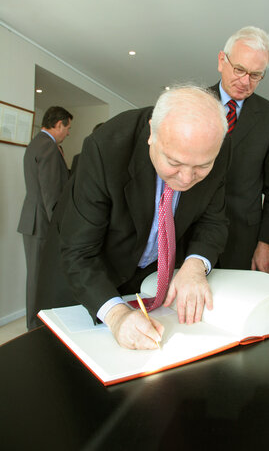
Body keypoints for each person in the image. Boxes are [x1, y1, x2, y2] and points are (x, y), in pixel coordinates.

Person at [38, 85, 231, 349]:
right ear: (152, 133)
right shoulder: (106, 148)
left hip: (145, 284)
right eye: (174, 163)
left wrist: (195, 266)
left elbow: (213, 219)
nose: (186, 179)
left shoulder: (217, 146)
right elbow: (78, 251)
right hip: (81, 278)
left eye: (201, 167)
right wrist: (116, 316)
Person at [209, 26, 269, 274]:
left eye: (256, 75)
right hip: (189, 237)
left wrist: (266, 242)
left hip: (244, 242)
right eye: (240, 69)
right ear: (222, 60)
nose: (245, 81)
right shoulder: (193, 102)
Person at [17, 106, 73, 330]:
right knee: (38, 278)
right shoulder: (48, 147)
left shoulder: (37, 143)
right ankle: (35, 326)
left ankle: (36, 323)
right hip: (41, 223)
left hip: (33, 220)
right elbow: (51, 193)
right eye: (67, 127)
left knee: (36, 276)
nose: (68, 133)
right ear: (58, 124)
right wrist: (57, 228)